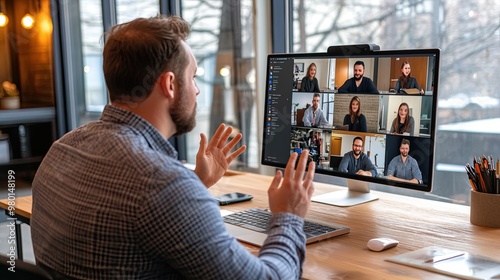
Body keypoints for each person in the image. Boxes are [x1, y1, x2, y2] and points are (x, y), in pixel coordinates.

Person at [30, 16, 316, 279]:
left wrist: (195, 185)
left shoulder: (62, 148)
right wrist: (288, 216)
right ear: (169, 84)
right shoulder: (161, 182)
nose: (197, 89)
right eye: (192, 77)